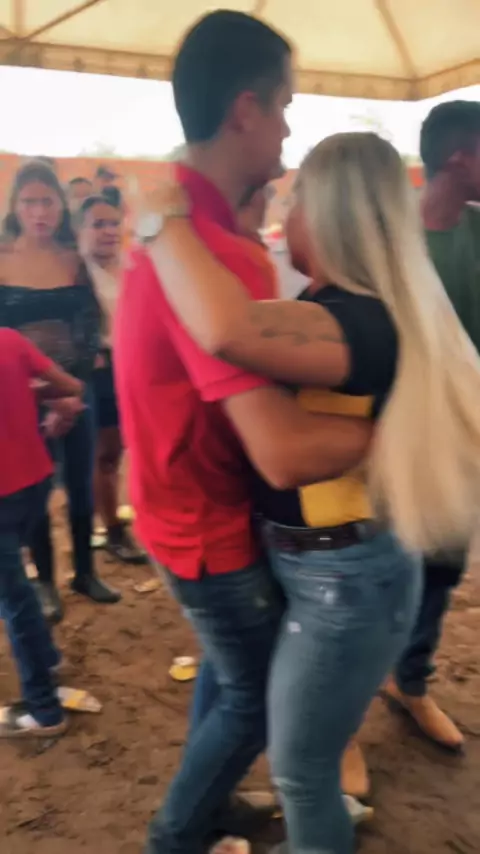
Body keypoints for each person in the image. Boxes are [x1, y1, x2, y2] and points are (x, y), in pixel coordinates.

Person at [139, 129, 480, 854]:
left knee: (301, 772)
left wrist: (160, 222)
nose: (283, 216)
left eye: (294, 202)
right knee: (267, 724)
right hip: (325, 566)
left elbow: (227, 331)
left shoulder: (357, 319)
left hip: (345, 578)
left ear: (329, 213)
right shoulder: (342, 306)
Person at [114, 12, 371, 854]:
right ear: (246, 110)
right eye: (285, 106)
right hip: (205, 522)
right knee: (255, 696)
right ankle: (177, 835)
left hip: (172, 501)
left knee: (231, 676)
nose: (289, 130)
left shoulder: (166, 221)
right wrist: (410, 432)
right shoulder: (212, 255)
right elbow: (282, 451)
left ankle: (208, 804)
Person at [378, 100, 480, 753]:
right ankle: (345, 718)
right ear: (459, 158)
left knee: (442, 566)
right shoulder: (392, 242)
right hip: (398, 433)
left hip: (464, 432)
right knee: (382, 568)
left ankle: (409, 680)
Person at [0, 159, 120, 624]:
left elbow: (88, 328)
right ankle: (46, 581)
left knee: (80, 486)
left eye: (47, 201)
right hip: (20, 398)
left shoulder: (74, 258)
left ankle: (86, 572)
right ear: (15, 206)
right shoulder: (3, 259)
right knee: (35, 491)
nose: (39, 211)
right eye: (29, 201)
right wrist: (44, 393)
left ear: (60, 206)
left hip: (77, 392)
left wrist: (72, 392)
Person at [0, 327, 83, 737]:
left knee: (14, 601)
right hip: (34, 480)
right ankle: (48, 658)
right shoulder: (8, 340)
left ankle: (44, 710)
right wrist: (32, 393)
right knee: (17, 588)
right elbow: (71, 386)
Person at [76, 194, 146, 564]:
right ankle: (113, 530)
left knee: (136, 449)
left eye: (113, 223)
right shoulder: (75, 274)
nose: (108, 231)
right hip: (100, 373)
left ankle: (141, 518)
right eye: (98, 224)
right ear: (80, 230)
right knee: (105, 455)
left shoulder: (134, 264)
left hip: (138, 367)